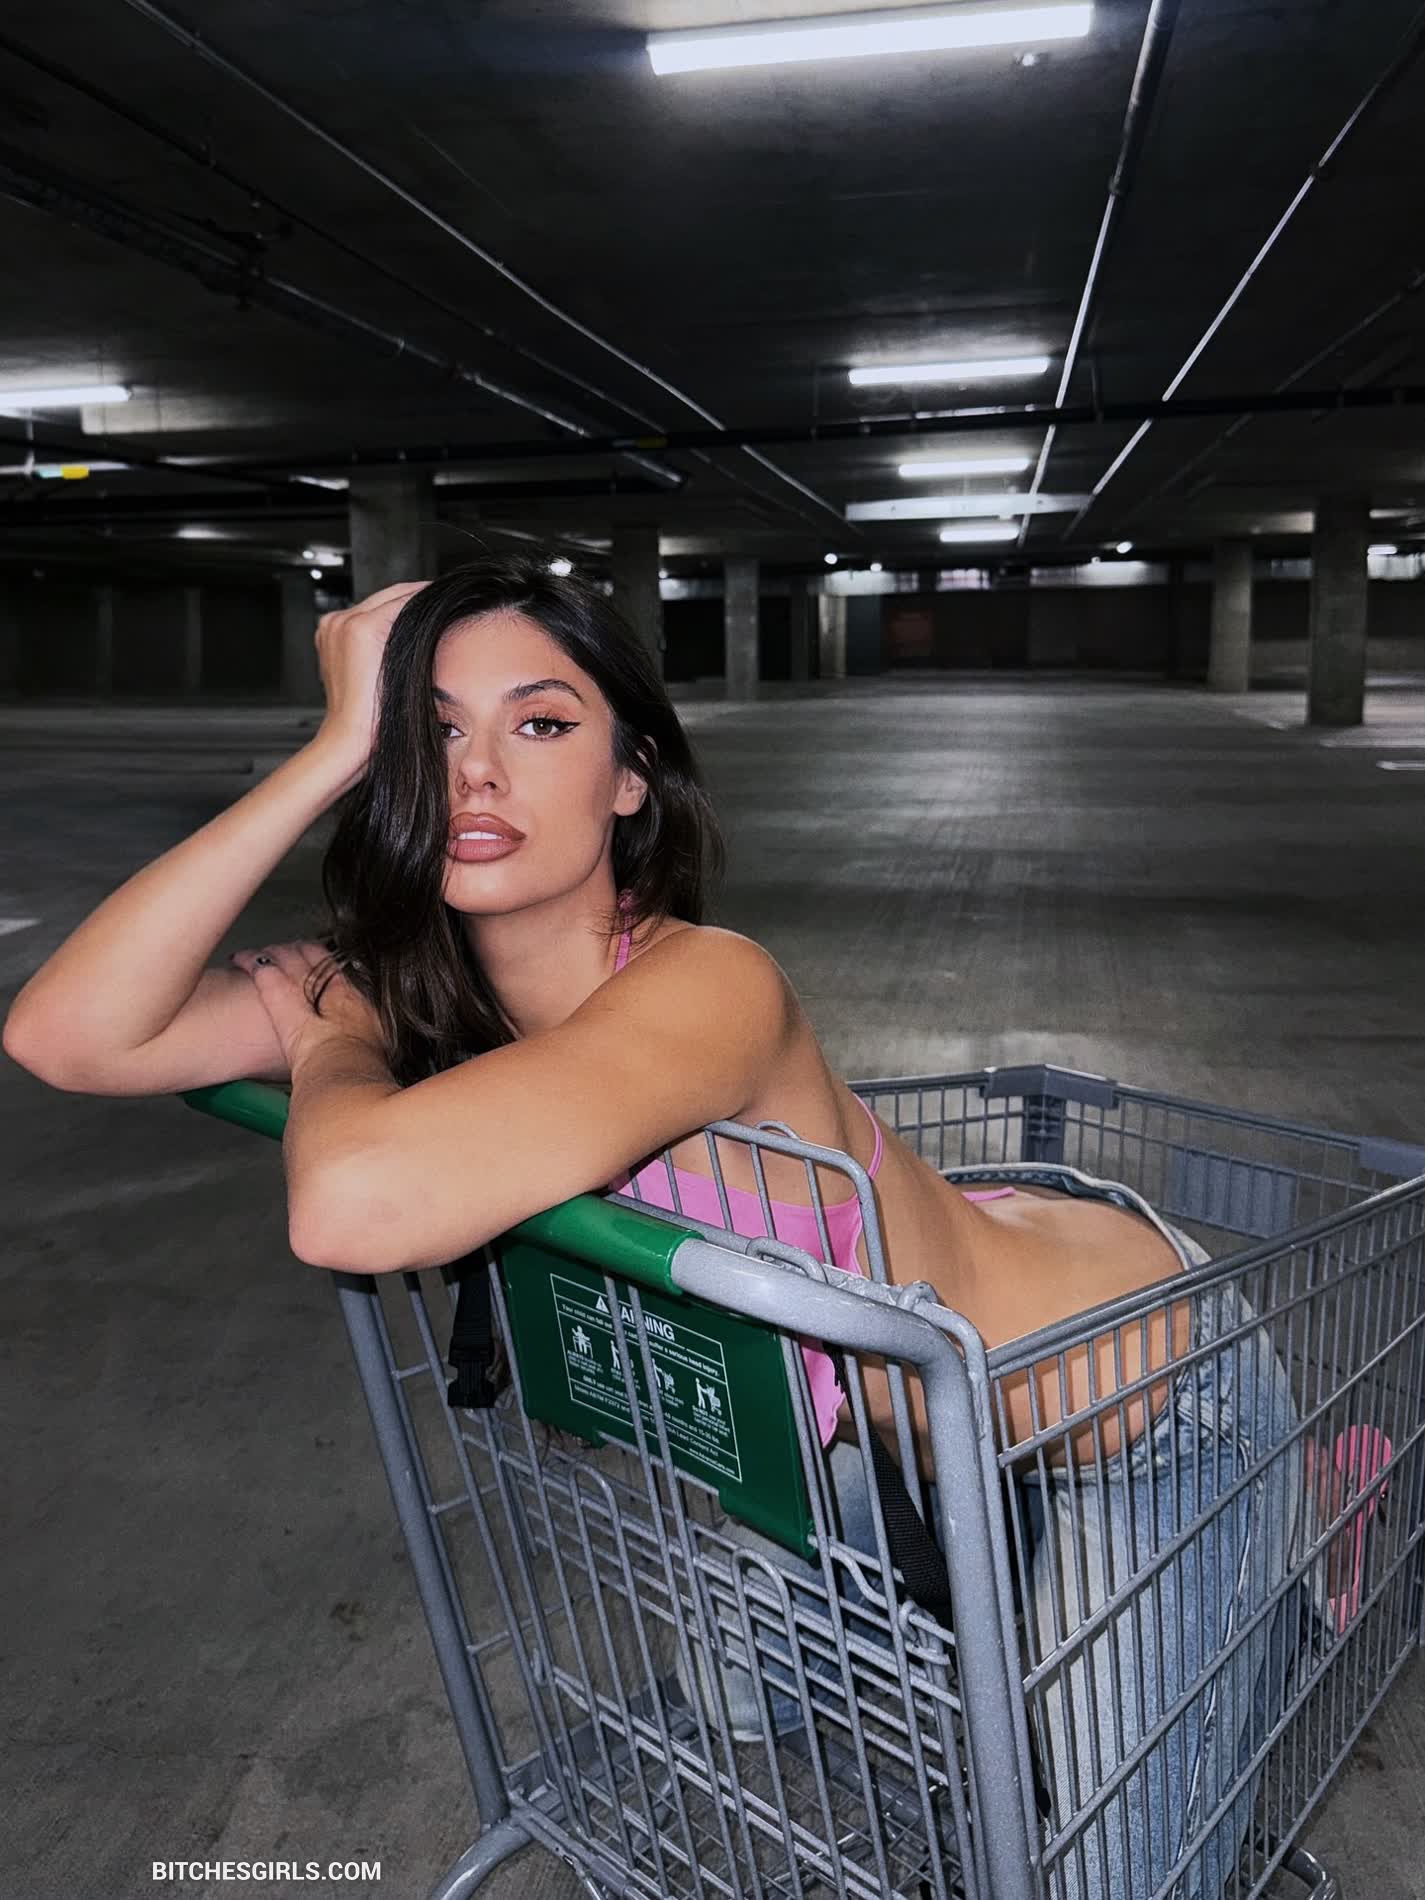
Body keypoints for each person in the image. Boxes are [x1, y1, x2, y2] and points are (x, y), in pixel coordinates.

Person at [2, 555, 1306, 1900]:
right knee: (737, 1697)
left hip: (1128, 1397)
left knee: (1106, 1875)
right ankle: (1058, 1568)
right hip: (896, 1423)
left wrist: (330, 1036)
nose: (476, 773)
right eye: (429, 732)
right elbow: (65, 1035)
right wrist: (329, 753)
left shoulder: (711, 986)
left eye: (539, 723)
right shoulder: (430, 991)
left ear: (628, 777)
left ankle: (1292, 1560)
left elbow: (352, 1201)